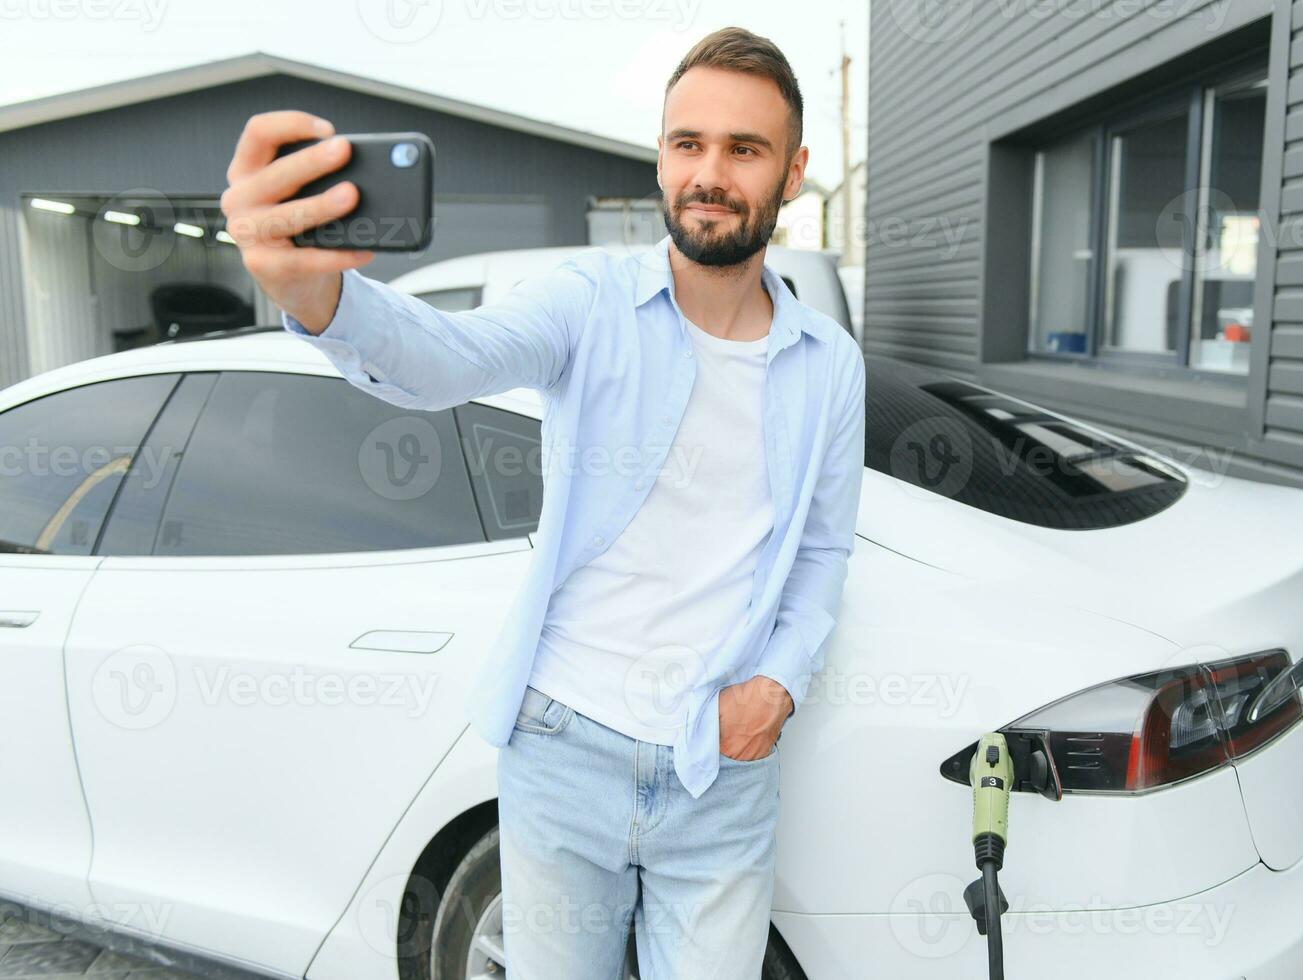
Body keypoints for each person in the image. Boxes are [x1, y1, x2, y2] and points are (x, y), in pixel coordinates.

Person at [221, 25, 865, 979]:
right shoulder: (587, 302)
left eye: (744, 148)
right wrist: (325, 301)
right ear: (659, 157)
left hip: (719, 772)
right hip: (563, 752)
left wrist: (775, 686)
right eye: (688, 142)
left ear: (794, 170)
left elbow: (820, 554)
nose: (710, 172)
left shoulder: (829, 364)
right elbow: (449, 358)